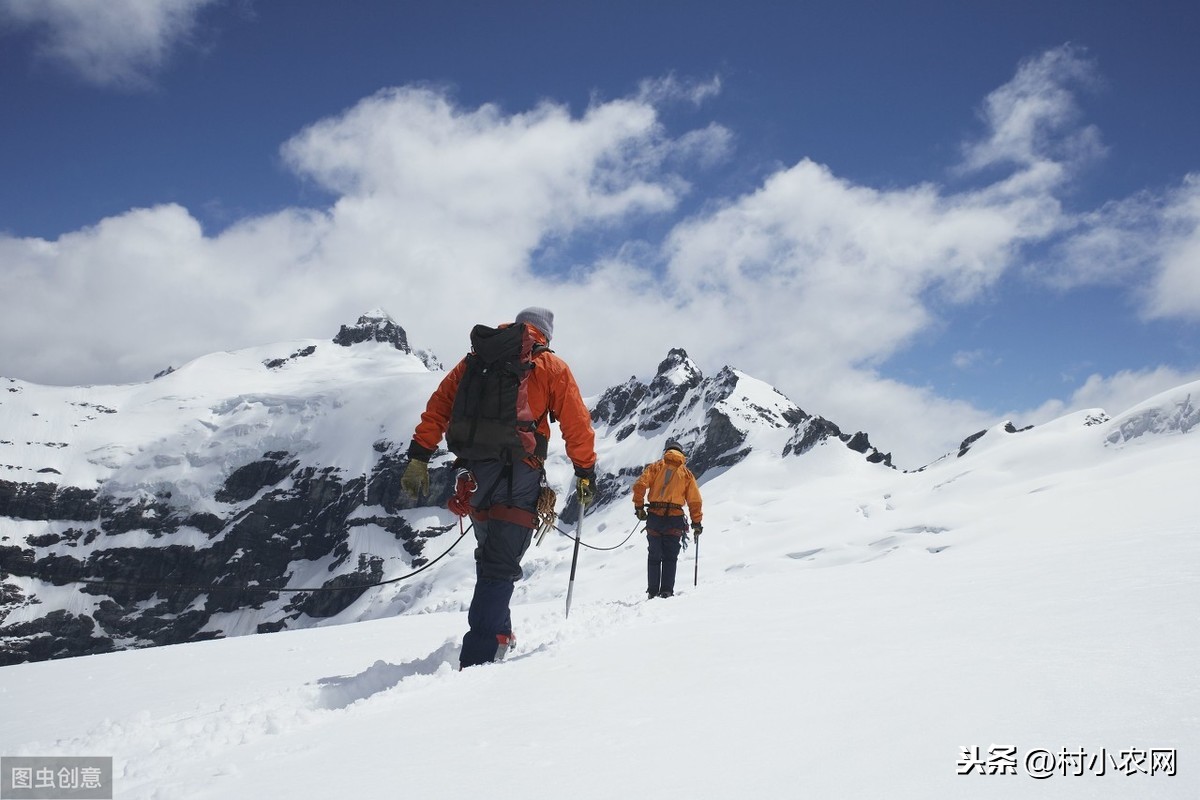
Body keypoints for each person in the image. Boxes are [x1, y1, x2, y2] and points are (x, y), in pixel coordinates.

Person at [401, 307, 597, 668]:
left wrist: (419, 456)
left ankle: (500, 634)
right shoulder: (550, 366)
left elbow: (439, 407)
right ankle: (478, 658)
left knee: (491, 554)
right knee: (500, 565)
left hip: (475, 476)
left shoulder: (476, 359)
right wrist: (585, 472)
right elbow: (576, 424)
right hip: (518, 476)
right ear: (545, 335)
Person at [632, 438, 703, 599]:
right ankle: (666, 591)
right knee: (670, 556)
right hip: (675, 519)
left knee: (654, 555)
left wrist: (638, 507)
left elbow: (640, 485)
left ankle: (652, 591)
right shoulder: (686, 474)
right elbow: (695, 501)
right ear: (681, 454)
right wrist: (696, 522)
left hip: (655, 517)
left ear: (666, 452)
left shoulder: (656, 467)